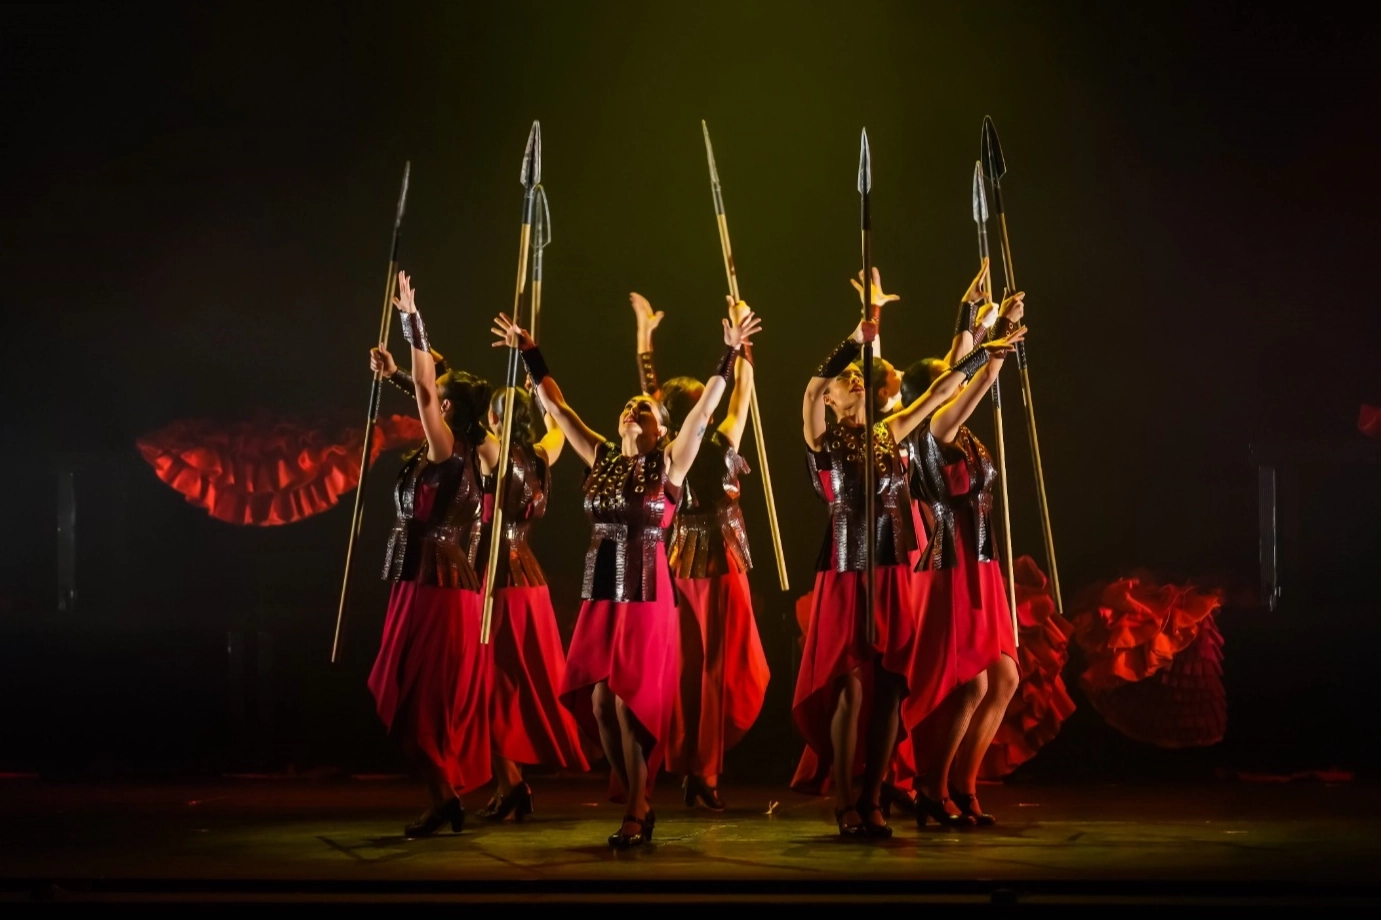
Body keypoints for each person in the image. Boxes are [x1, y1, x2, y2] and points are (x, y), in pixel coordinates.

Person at [490, 301, 762, 848]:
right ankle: (635, 790)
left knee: (625, 700)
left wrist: (730, 354)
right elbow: (558, 408)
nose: (633, 409)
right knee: (599, 703)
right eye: (628, 407)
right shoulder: (602, 457)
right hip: (601, 591)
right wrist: (531, 355)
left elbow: (705, 412)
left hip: (646, 589)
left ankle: (639, 805)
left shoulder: (671, 464)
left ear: (661, 429)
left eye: (644, 409)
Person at [792, 267, 1025, 838]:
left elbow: (942, 391)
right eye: (846, 379)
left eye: (856, 376)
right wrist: (859, 335)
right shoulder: (822, 437)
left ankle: (873, 797)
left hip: (893, 569)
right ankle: (846, 802)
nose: (850, 379)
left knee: (892, 686)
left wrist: (988, 347)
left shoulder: (890, 432)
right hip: (845, 567)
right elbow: (813, 388)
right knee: (850, 686)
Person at [365, 271, 497, 837]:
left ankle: (445, 796)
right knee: (405, 691)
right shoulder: (438, 450)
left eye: (439, 402)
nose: (427, 406)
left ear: (449, 410)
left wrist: (411, 323)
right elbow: (423, 388)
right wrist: (396, 371)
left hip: (439, 584)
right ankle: (443, 798)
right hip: (417, 580)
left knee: (418, 698)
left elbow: (425, 390)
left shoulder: (450, 451)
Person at [628, 292, 770, 812]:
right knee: (711, 668)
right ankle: (703, 772)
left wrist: (645, 340)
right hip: (715, 562)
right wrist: (742, 345)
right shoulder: (719, 439)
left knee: (692, 667)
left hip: (681, 561)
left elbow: (653, 399)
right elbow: (742, 392)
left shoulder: (669, 452)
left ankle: (694, 768)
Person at [902, 270, 1027, 828]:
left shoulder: (958, 427)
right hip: (949, 563)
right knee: (972, 680)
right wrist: (992, 343)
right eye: (946, 381)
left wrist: (975, 316)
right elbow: (970, 378)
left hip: (981, 560)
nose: (955, 381)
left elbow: (964, 368)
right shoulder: (935, 429)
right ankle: (932, 788)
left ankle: (963, 783)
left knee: (1005, 679)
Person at [468, 384, 593, 821]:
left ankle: (511, 784)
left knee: (489, 684)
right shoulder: (541, 453)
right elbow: (556, 426)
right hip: (528, 580)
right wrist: (542, 399)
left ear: (494, 420)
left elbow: (457, 422)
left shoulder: (491, 453)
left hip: (495, 579)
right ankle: (510, 783)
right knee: (511, 683)